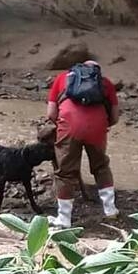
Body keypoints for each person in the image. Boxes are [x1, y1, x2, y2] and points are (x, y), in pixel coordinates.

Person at [46, 60, 120, 228]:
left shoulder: (62, 78)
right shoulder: (105, 83)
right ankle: (110, 211)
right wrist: (100, 126)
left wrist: (62, 126)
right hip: (97, 127)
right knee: (101, 166)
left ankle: (64, 219)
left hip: (69, 125)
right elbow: (115, 117)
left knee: (65, 173)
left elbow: (51, 113)